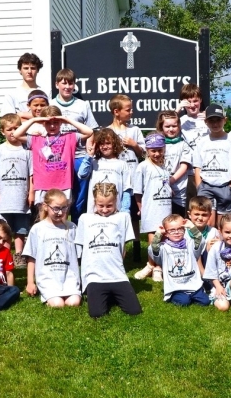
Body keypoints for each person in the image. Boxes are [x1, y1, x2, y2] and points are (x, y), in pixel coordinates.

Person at [76, 182, 140, 318]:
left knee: (134, 310)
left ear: (116, 200)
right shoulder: (85, 219)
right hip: (94, 276)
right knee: (97, 313)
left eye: (109, 205)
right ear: (94, 201)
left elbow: (123, 247)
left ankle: (112, 293)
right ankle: (102, 294)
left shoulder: (123, 217)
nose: (105, 210)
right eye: (101, 205)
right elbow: (81, 249)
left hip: (117, 274)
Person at [16, 108, 94, 211]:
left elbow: (89, 132)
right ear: (43, 123)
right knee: (44, 216)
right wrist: (34, 120)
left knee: (61, 215)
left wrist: (66, 120)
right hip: (42, 184)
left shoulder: (69, 137)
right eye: (48, 123)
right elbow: (16, 134)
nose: (52, 126)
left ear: (61, 122)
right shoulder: (36, 139)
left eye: (56, 122)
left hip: (63, 184)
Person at [51, 68, 98, 217]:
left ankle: (77, 229)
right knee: (60, 195)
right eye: (64, 83)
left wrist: (89, 150)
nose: (67, 87)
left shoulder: (82, 105)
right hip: (58, 157)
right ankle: (61, 224)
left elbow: (92, 129)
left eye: (71, 83)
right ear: (56, 84)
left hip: (79, 155)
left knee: (79, 196)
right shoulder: (51, 105)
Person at [24, 189, 82, 307]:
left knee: (74, 302)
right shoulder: (38, 229)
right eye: (56, 208)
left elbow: (80, 257)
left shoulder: (72, 228)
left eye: (64, 208)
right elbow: (31, 257)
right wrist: (30, 282)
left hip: (68, 277)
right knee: (57, 304)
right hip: (48, 278)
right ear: (45, 207)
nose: (60, 212)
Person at [0, 113, 32, 262]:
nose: (13, 132)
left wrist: (31, 192)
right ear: (2, 131)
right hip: (4, 198)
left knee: (21, 228)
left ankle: (19, 255)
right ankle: (4, 255)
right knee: (4, 228)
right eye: (9, 129)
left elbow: (32, 175)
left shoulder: (27, 151)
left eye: (16, 128)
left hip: (21, 198)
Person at [193, 104, 231, 225]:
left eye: (218, 120)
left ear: (225, 120)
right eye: (211, 121)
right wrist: (199, 186)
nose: (215, 124)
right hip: (206, 186)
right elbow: (197, 166)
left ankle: (222, 243)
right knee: (207, 222)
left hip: (225, 186)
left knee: (224, 223)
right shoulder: (202, 141)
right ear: (206, 122)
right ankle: (208, 243)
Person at [133, 133, 173, 281]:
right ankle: (151, 264)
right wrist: (140, 207)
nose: (157, 153)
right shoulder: (142, 167)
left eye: (159, 150)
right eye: (153, 150)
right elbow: (138, 191)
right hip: (150, 207)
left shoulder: (165, 166)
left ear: (164, 149)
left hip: (165, 206)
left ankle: (159, 266)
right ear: (147, 150)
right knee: (153, 236)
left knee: (163, 237)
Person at [148, 214, 208, 306]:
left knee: (205, 301)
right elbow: (153, 249)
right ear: (166, 233)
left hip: (192, 283)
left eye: (180, 229)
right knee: (184, 302)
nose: (176, 232)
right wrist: (158, 233)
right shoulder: (164, 247)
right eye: (172, 230)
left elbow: (200, 241)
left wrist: (192, 226)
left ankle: (193, 294)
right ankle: (176, 296)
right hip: (176, 286)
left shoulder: (190, 244)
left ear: (184, 230)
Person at [82, 127, 132, 213]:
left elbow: (126, 189)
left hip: (115, 211)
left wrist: (125, 210)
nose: (105, 147)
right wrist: (88, 156)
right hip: (95, 211)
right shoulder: (93, 162)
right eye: (102, 144)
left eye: (108, 143)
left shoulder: (122, 164)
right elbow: (82, 174)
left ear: (115, 144)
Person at [156, 110, 193, 218]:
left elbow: (184, 167)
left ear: (179, 126)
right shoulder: (157, 145)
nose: (171, 129)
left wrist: (169, 182)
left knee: (179, 219)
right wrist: (164, 184)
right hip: (161, 189)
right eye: (167, 126)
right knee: (163, 220)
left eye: (174, 126)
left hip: (180, 191)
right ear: (161, 127)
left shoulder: (184, 145)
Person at [2, 53, 44, 119]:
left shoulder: (46, 92)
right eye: (26, 68)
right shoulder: (11, 95)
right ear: (20, 70)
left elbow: (49, 116)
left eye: (33, 68)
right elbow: (8, 120)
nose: (29, 71)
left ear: (37, 70)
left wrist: (21, 114)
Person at [177, 83, 209, 152]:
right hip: (188, 159)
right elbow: (164, 129)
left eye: (195, 101)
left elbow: (221, 136)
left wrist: (210, 120)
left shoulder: (208, 117)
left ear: (200, 100)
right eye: (188, 102)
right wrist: (177, 110)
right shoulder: (180, 121)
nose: (192, 105)